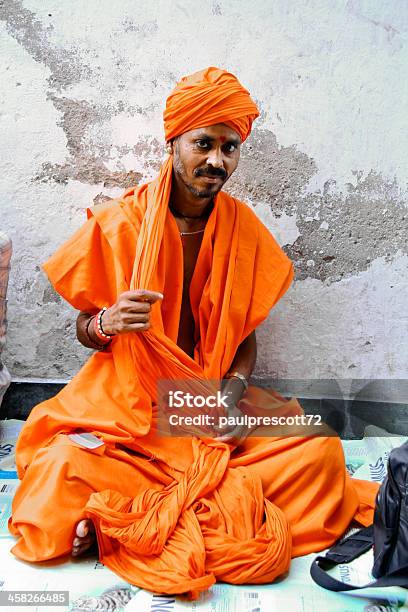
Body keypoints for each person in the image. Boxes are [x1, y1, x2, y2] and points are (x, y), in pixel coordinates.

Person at [9, 67, 379, 599]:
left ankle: (134, 519)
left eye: (230, 148)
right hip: (128, 409)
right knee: (58, 468)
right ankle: (193, 511)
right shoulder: (121, 223)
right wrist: (104, 323)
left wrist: (229, 398)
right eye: (203, 144)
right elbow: (84, 329)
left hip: (203, 402)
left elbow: (244, 335)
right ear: (174, 143)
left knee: (318, 451)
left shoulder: (242, 227)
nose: (217, 161)